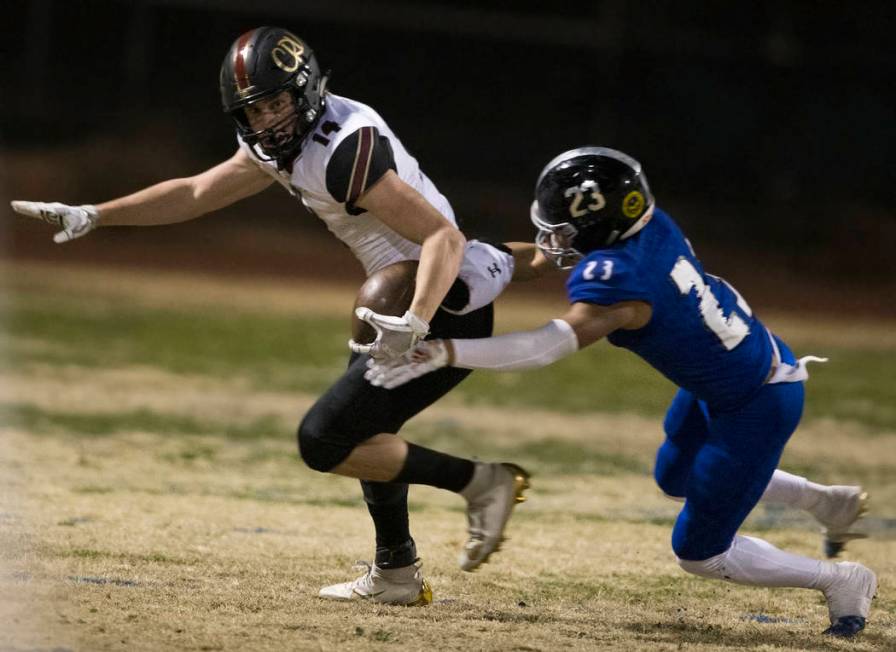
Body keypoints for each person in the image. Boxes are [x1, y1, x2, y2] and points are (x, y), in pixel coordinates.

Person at [10, 26, 535, 606]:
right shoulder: (280, 143)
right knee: (360, 429)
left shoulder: (343, 153)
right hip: (396, 302)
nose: (266, 121)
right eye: (253, 110)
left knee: (325, 440)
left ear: (305, 90)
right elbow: (195, 192)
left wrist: (416, 319)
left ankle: (482, 483)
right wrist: (95, 214)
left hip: (438, 304)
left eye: (276, 103)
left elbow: (444, 237)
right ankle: (396, 573)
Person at [365, 146, 877, 637]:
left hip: (757, 401)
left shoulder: (619, 277)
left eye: (565, 230)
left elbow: (546, 347)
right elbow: (547, 276)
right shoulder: (650, 226)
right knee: (675, 478)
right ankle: (826, 503)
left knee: (700, 553)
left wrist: (444, 350)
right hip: (729, 374)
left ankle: (842, 580)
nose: (554, 237)